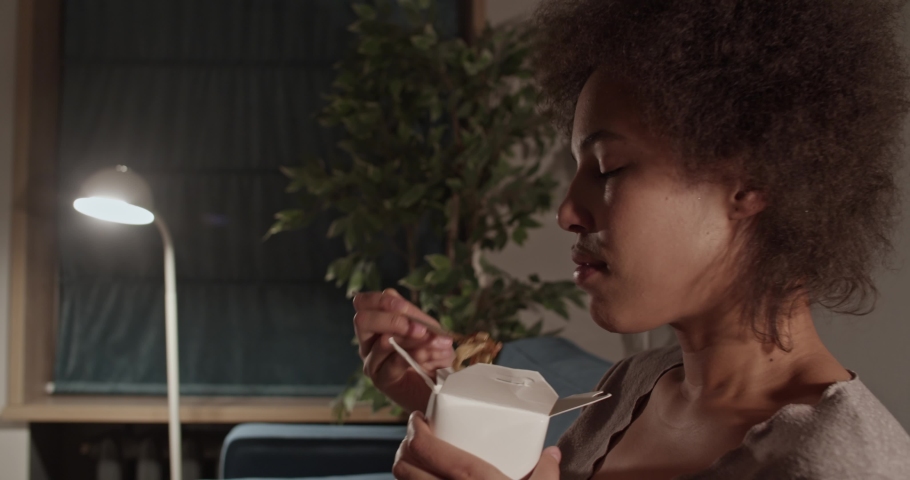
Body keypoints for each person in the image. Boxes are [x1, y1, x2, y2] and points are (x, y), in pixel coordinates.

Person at [352, 0, 910, 478]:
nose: (567, 211)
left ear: (751, 181)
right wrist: (444, 399)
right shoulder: (634, 387)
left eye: (609, 167)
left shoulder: (843, 463)